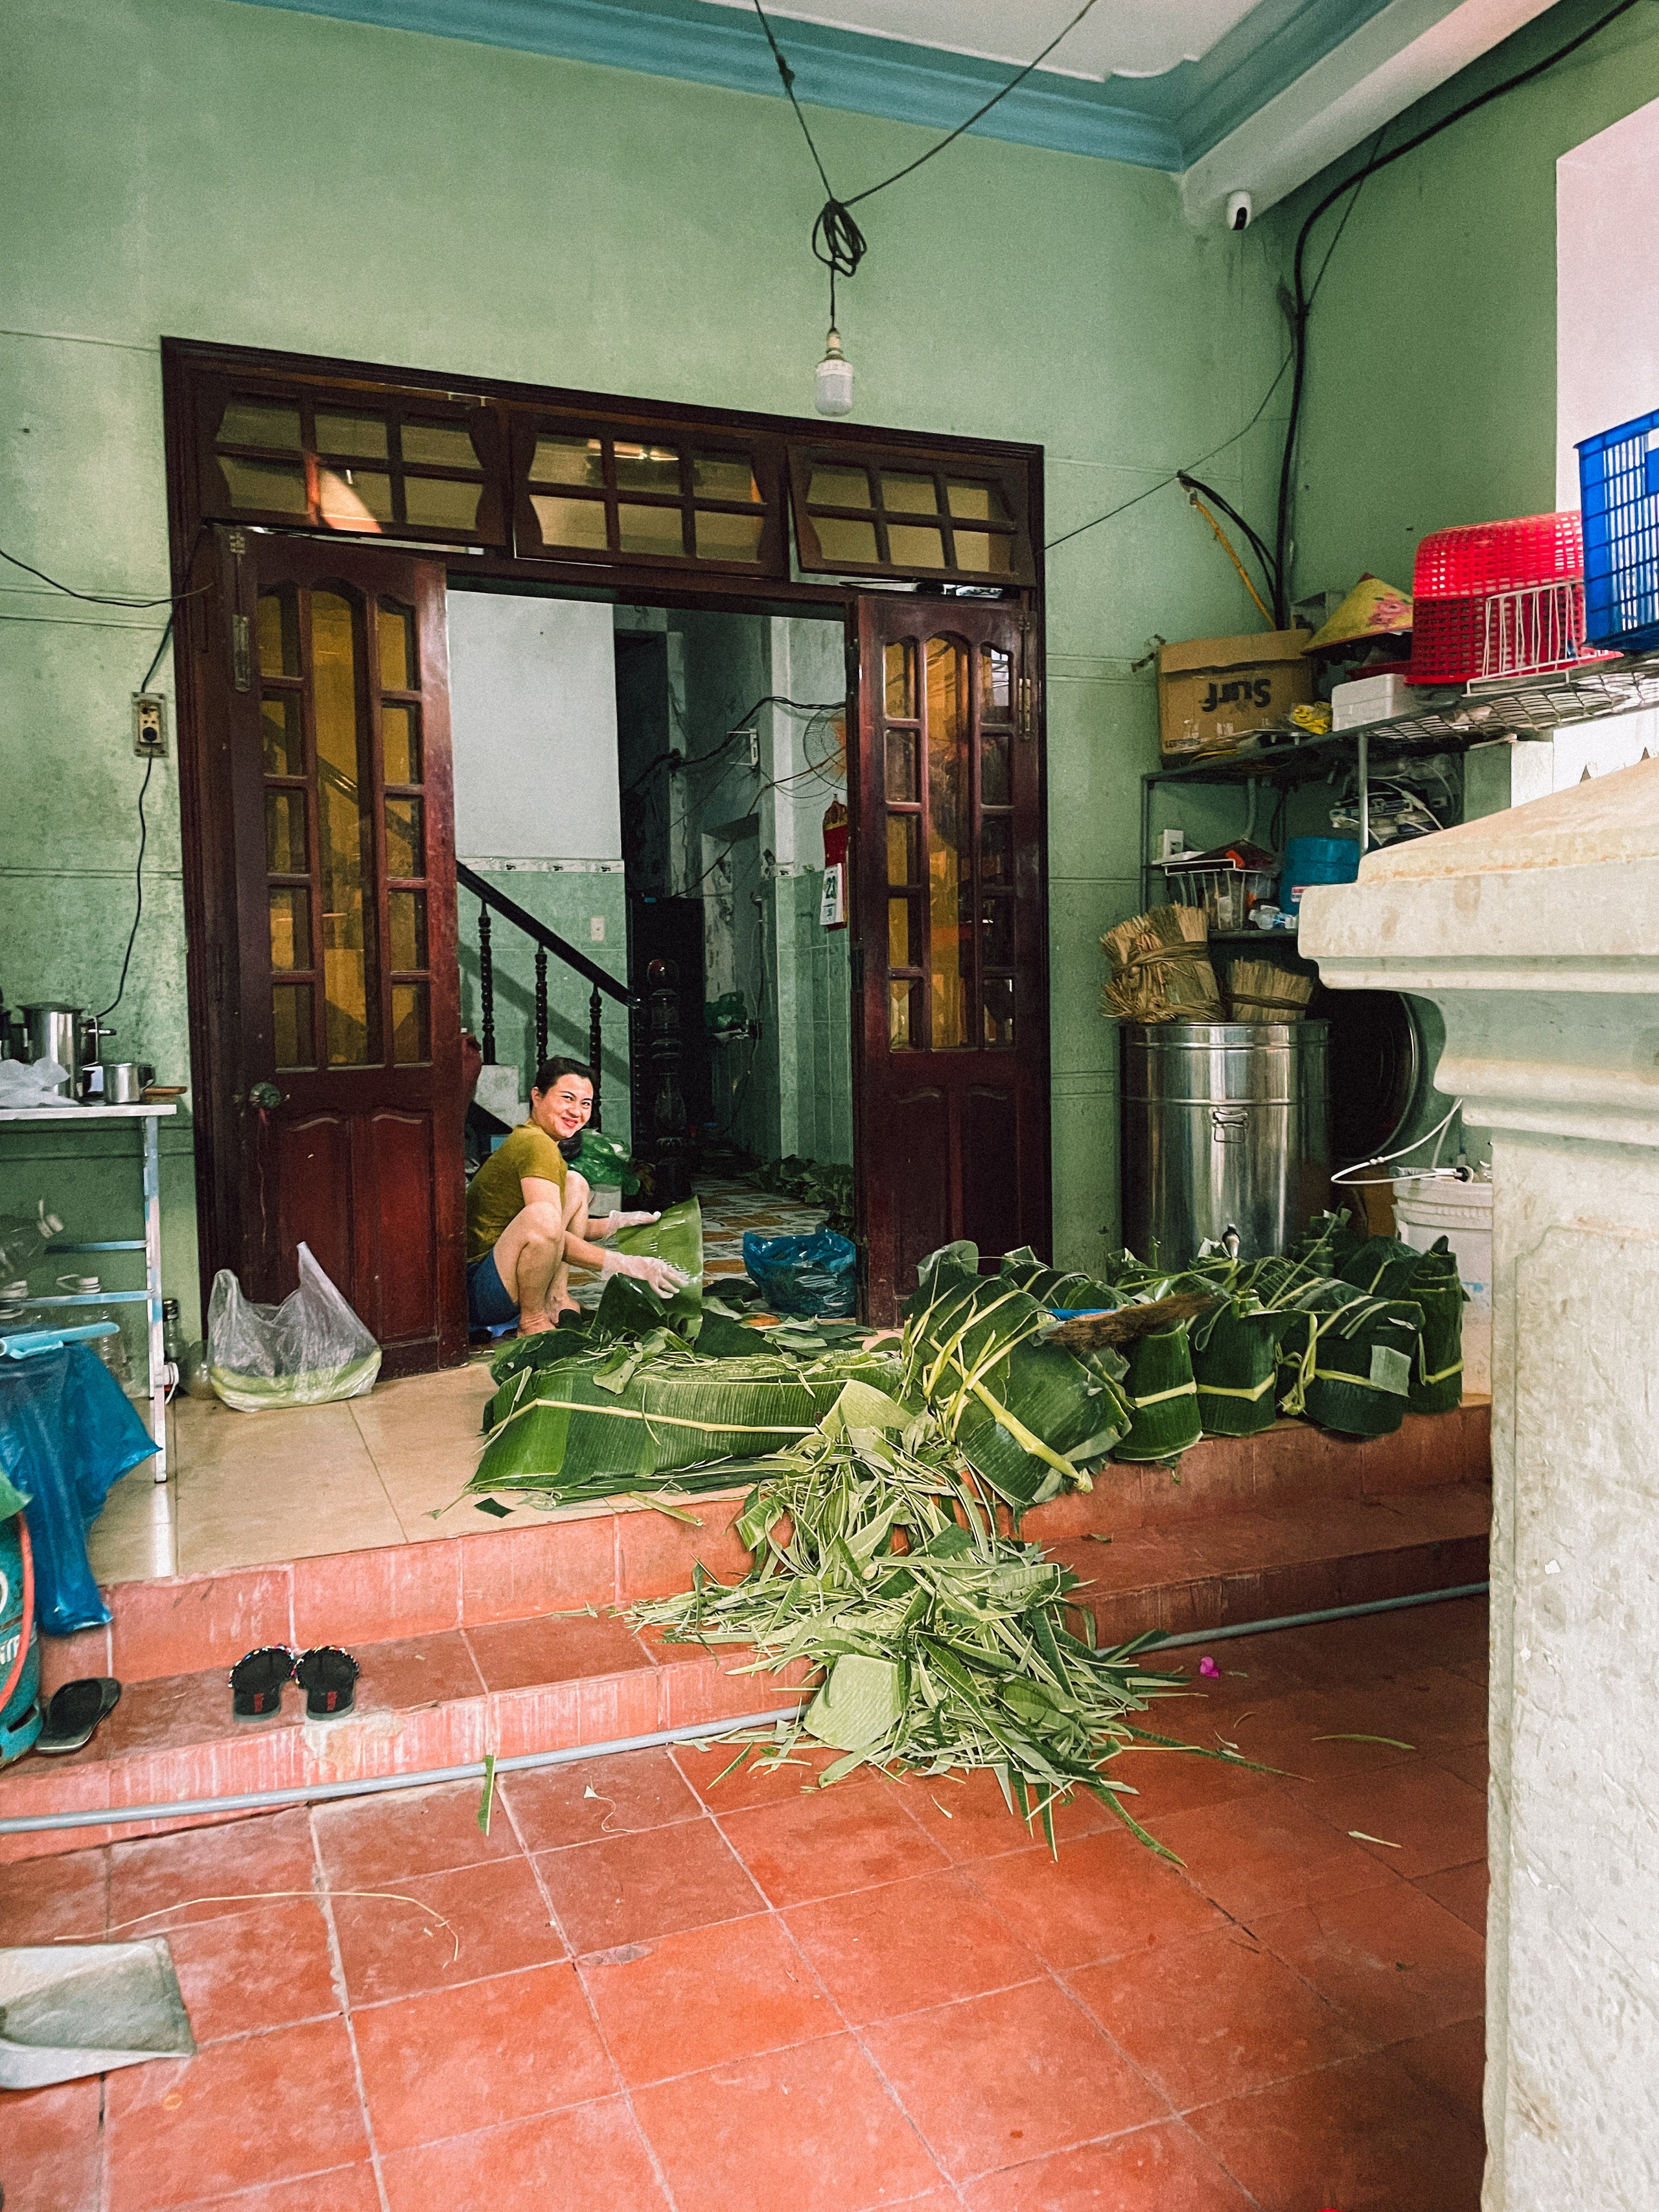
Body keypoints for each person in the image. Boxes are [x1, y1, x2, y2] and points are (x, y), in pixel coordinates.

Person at [464, 1057, 683, 1334]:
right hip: (479, 1292)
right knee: (542, 1215)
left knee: (575, 1183)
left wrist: (617, 1223)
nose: (576, 1112)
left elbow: (556, 1233)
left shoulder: (541, 1141)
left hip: (497, 1278)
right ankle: (532, 1320)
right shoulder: (535, 1144)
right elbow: (546, 1230)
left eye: (585, 1104)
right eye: (567, 1098)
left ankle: (556, 1298)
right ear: (537, 1097)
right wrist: (625, 1264)